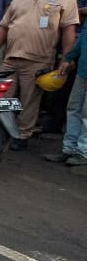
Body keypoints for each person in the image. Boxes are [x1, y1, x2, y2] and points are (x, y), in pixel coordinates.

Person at [0, 0, 79, 148]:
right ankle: (0, 130)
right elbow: (3, 27)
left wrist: (67, 58)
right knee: (3, 97)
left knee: (29, 101)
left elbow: (68, 31)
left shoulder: (66, 0)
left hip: (39, 59)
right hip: (10, 57)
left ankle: (22, 135)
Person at [51, 25, 87, 165]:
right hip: (82, 71)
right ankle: (69, 149)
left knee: (85, 114)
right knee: (74, 108)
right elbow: (82, 39)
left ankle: (83, 152)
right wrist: (69, 58)